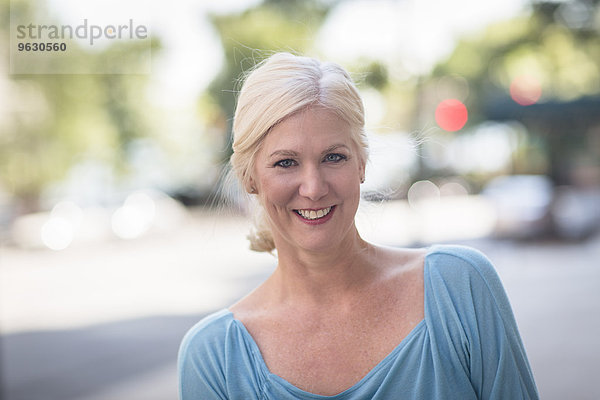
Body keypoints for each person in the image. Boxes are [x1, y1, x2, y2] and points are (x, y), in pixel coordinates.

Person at [178, 52, 539, 399]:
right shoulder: (214, 358)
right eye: (286, 163)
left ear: (362, 164)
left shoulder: (459, 287)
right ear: (249, 178)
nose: (314, 188)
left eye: (333, 157)